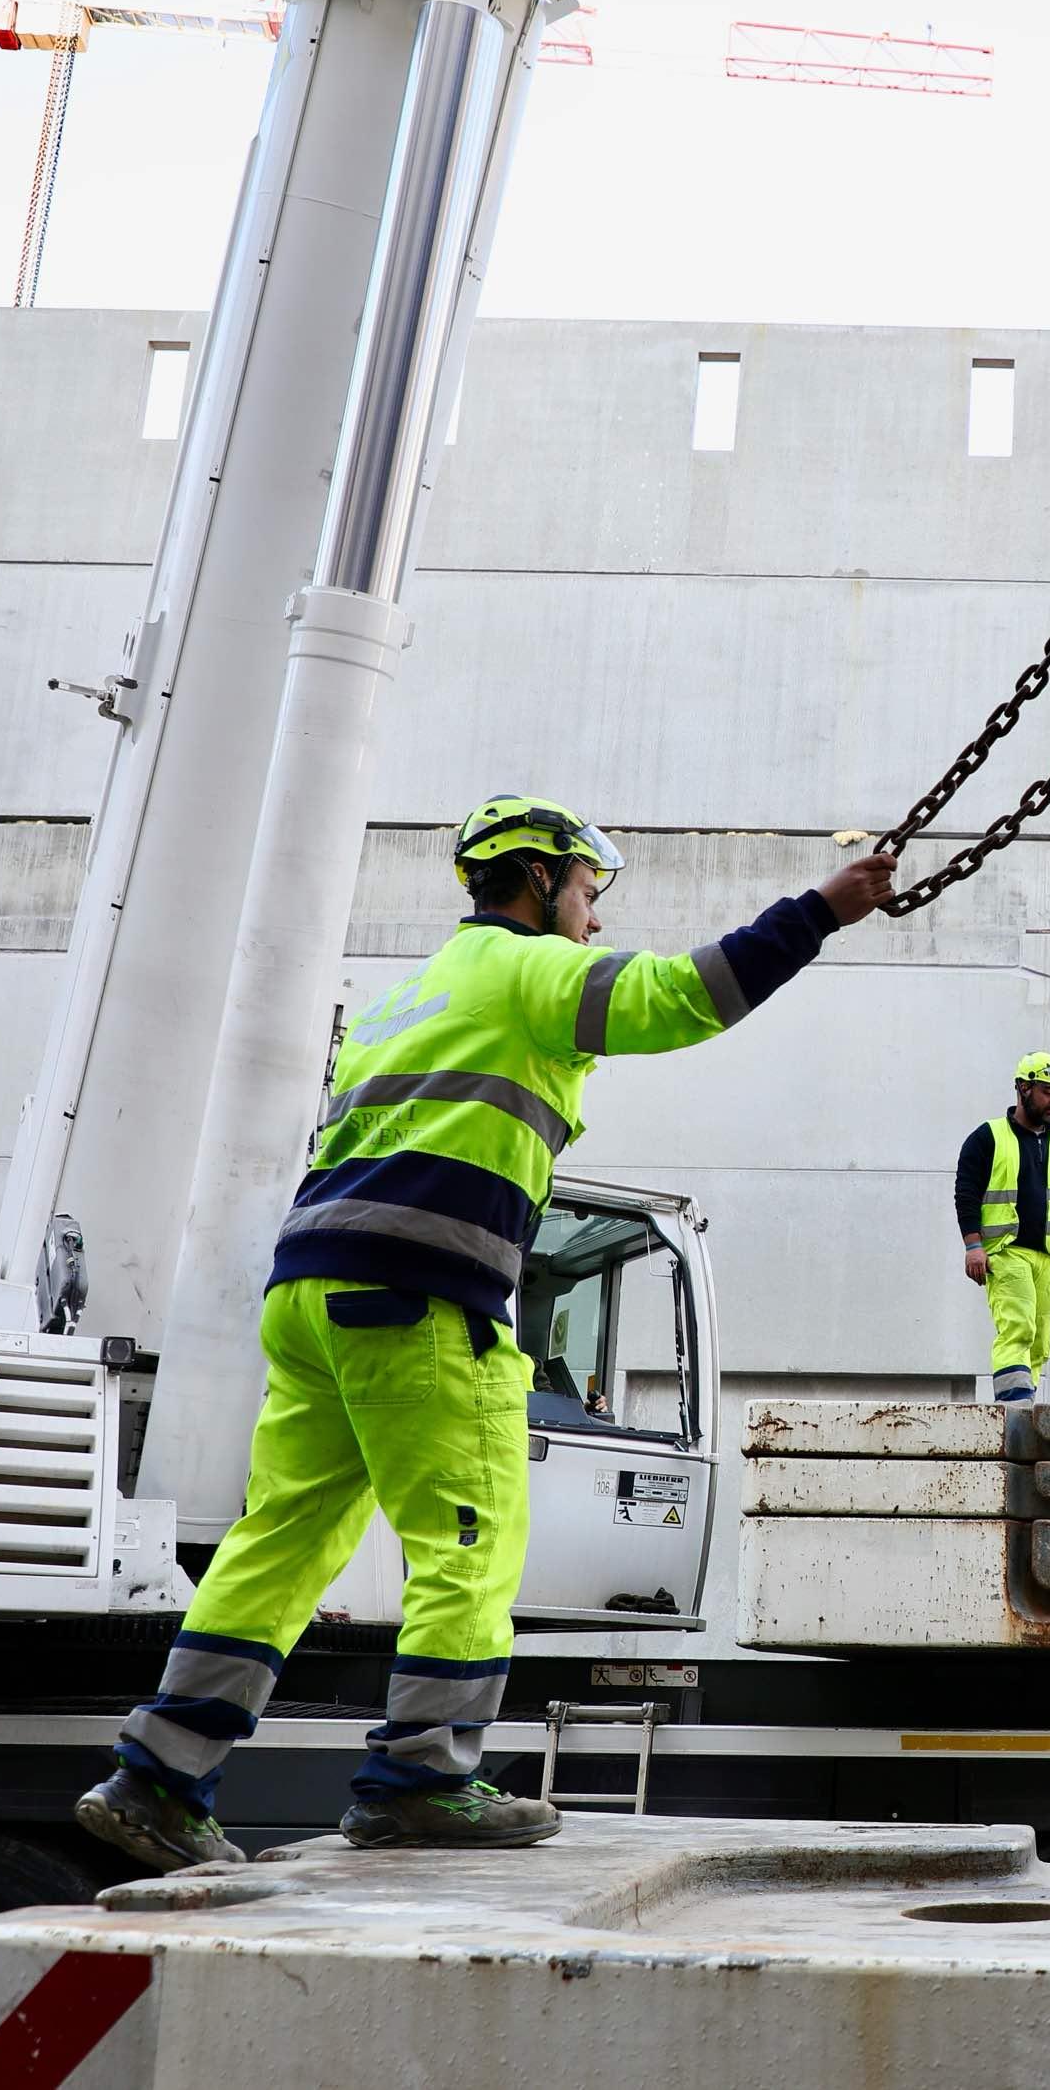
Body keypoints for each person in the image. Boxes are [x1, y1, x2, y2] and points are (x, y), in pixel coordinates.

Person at [77, 796, 897, 1872]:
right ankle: (422, 1779)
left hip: (312, 1295)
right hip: (416, 1297)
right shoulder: (520, 973)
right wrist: (820, 911)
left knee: (278, 1543)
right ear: (538, 880)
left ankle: (159, 1779)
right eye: (589, 895)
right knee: (470, 1539)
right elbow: (683, 998)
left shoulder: (407, 995)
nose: (594, 922)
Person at [956, 1053, 1050, 1403]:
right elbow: (966, 1192)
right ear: (1023, 1088)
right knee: (1018, 1326)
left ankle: (1023, 1406)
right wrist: (973, 1246)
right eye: (1048, 1092)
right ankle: (1013, 1409)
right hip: (1006, 1251)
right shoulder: (989, 1137)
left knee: (1040, 1339)